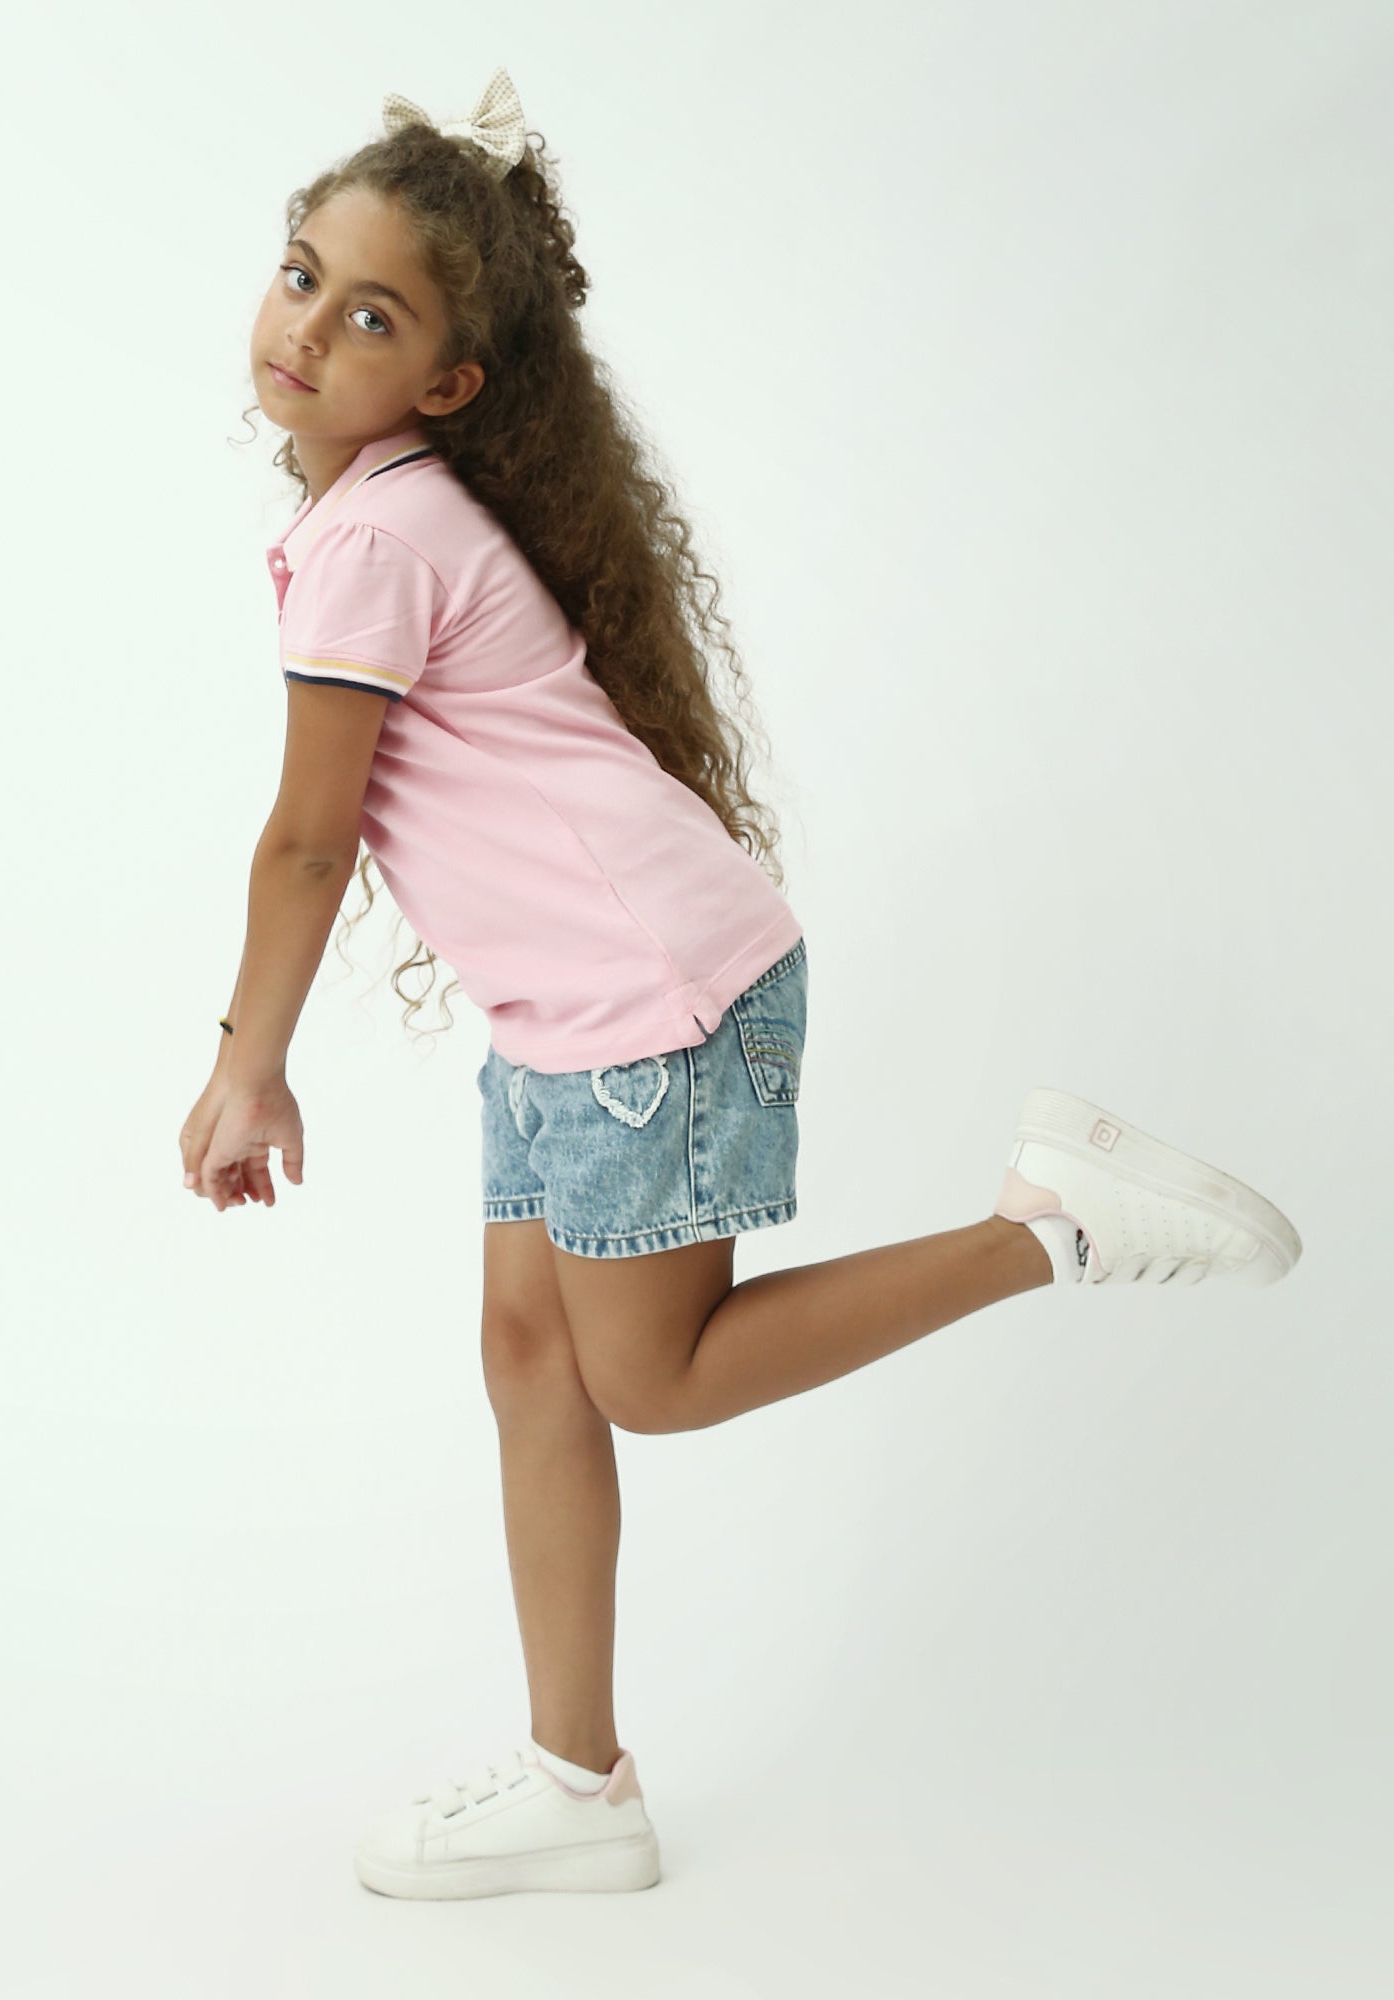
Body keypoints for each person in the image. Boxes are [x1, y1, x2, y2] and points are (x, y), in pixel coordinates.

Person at [176, 67, 1303, 1901]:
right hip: (576, 1010)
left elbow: (307, 844)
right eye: (301, 275)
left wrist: (249, 1065)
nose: (305, 328)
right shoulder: (379, 514)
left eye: (369, 315)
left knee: (653, 1377)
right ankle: (579, 1783)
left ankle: (1048, 1228)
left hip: (647, 1007)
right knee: (530, 1356)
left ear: (447, 382)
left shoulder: (374, 537)